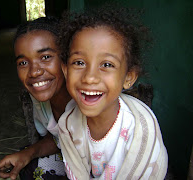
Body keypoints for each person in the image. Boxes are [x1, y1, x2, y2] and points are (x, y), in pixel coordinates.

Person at [58, 5, 168, 180]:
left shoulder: (142, 128)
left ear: (129, 77)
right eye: (79, 62)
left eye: (107, 65)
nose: (90, 78)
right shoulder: (68, 124)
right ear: (65, 71)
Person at [0, 17, 72, 180]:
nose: (34, 72)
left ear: (66, 57)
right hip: (71, 157)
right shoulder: (38, 99)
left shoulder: (87, 101)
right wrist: (27, 154)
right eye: (23, 63)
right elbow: (58, 139)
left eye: (45, 57)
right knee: (26, 165)